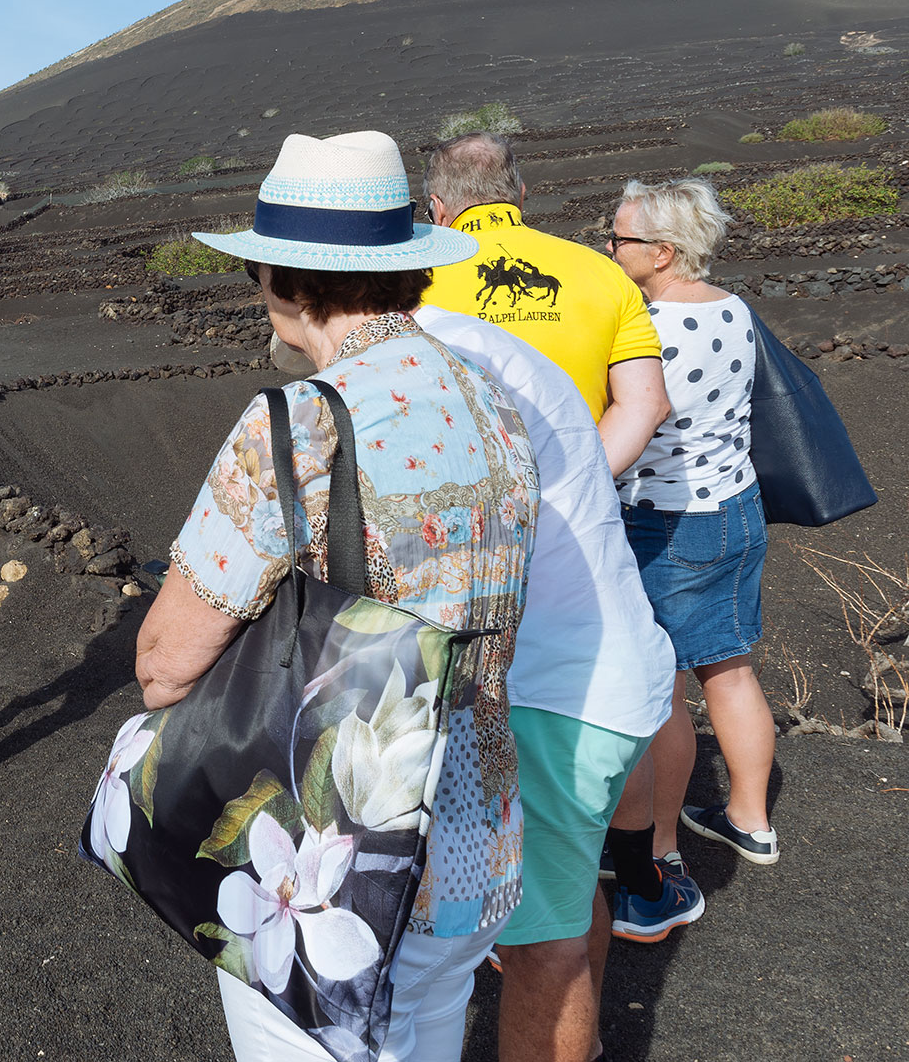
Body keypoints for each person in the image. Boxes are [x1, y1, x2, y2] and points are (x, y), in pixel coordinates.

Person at [137, 130, 539, 1062]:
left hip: (340, 868)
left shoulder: (300, 421)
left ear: (285, 282)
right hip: (476, 841)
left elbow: (165, 664)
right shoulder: (491, 396)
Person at [414, 305, 675, 1062]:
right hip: (607, 669)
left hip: (550, 689)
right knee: (564, 898)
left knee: (538, 946)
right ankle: (584, 1040)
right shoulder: (484, 342)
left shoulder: (422, 366)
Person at [607, 179, 779, 920]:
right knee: (730, 670)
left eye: (616, 239)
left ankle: (662, 843)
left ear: (661, 251)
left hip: (667, 522)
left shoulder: (647, 325)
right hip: (738, 508)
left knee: (660, 693)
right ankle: (751, 819)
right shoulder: (733, 308)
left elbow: (631, 417)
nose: (606, 248)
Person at [421, 132, 670, 472]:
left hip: (469, 497)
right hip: (580, 504)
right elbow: (646, 403)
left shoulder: (411, 283)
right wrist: (582, 482)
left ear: (437, 207)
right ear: (520, 196)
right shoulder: (604, 272)